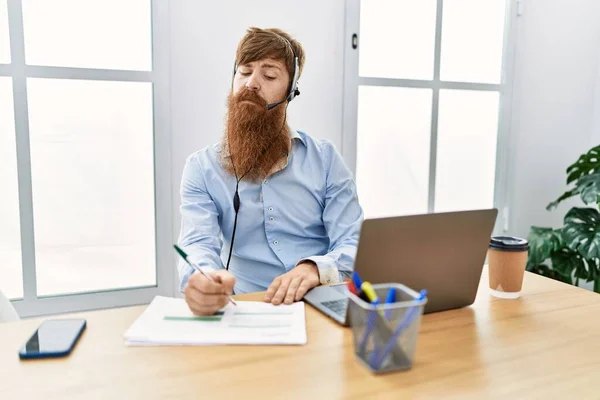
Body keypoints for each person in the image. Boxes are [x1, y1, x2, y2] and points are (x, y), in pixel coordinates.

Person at [177, 27, 363, 315]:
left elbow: (354, 240)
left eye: (270, 75)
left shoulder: (325, 159)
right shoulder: (201, 168)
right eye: (244, 71)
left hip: (321, 303)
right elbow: (197, 243)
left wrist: (316, 268)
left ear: (290, 91)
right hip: (245, 307)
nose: (252, 83)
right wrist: (201, 279)